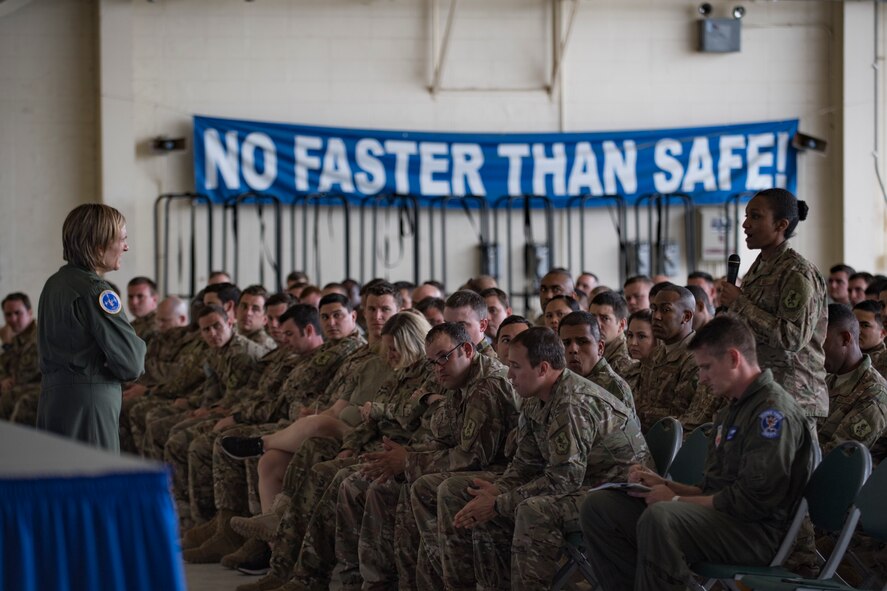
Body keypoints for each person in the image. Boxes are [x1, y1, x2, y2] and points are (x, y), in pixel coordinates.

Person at [580, 314, 813, 591]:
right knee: (600, 507)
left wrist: (675, 499)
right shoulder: (733, 409)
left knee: (661, 517)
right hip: (722, 520)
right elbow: (712, 488)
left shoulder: (771, 414)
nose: (701, 379)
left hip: (755, 533)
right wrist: (664, 484)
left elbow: (753, 502)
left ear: (733, 359)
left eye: (706, 367)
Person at [36, 203, 146, 452]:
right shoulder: (96, 291)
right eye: (122, 239)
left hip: (53, 399)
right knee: (95, 484)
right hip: (90, 402)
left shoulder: (54, 285)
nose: (126, 247)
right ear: (99, 245)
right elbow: (131, 362)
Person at [718, 188, 829, 426]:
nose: (745, 224)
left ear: (781, 224)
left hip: (794, 397)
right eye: (746, 216)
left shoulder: (797, 272)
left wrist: (739, 302)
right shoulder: (758, 268)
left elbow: (793, 338)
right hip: (762, 391)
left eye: (755, 217)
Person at [819, 304, 887, 460]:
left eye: (822, 342)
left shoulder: (874, 395)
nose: (816, 350)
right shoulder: (828, 378)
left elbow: (836, 459)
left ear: (845, 339)